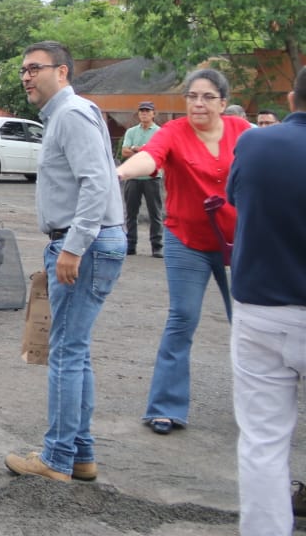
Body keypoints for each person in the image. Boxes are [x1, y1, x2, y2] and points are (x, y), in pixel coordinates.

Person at [5, 41, 126, 482]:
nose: (26, 76)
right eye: (23, 69)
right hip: (90, 241)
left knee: (66, 353)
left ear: (62, 72)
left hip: (83, 245)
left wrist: (73, 247)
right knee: (76, 350)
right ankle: (80, 454)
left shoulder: (71, 114)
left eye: (35, 68)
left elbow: (96, 183)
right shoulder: (69, 114)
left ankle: (56, 458)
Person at [116, 68, 254, 435]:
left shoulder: (243, 132)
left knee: (246, 322)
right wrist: (121, 173)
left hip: (238, 242)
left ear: (223, 103)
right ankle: (165, 407)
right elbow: (150, 158)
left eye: (207, 97)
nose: (198, 103)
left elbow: (272, 162)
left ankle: (256, 407)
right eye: (192, 96)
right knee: (182, 318)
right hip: (186, 240)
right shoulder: (173, 132)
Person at [226, 66, 306, 535]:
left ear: (292, 99)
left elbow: (237, 197)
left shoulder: (255, 142)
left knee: (263, 441)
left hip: (263, 309)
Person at [120, 101, 164, 257]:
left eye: (147, 111)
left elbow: (158, 152)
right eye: (141, 111)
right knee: (131, 213)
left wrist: (136, 149)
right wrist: (143, 150)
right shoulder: (131, 131)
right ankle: (131, 245)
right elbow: (124, 151)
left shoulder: (159, 132)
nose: (144, 113)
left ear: (153, 114)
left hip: (152, 177)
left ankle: (157, 246)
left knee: (155, 213)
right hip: (133, 176)